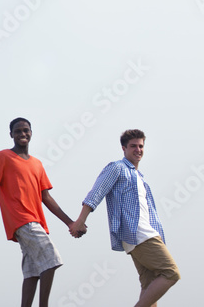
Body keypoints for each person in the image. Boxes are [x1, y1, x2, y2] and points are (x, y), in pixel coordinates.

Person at [0, 118, 78, 307]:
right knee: (51, 258)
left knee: (32, 270)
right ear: (11, 135)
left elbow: (47, 198)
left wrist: (70, 223)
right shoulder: (3, 157)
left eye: (26, 130)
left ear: (31, 132)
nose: (22, 134)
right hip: (21, 220)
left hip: (36, 221)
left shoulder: (37, 164)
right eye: (17, 131)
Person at [70, 129, 179, 307]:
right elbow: (96, 193)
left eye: (141, 146)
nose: (138, 150)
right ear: (124, 148)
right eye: (133, 146)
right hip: (139, 234)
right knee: (171, 273)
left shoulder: (139, 177)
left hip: (146, 233)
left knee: (150, 286)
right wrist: (80, 221)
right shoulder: (117, 168)